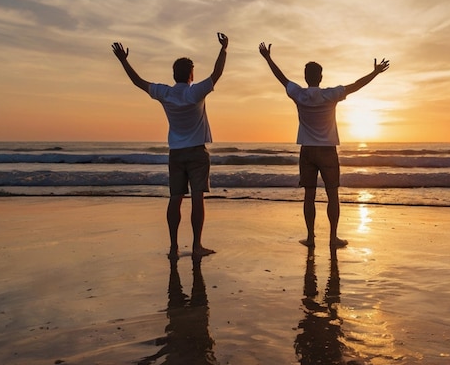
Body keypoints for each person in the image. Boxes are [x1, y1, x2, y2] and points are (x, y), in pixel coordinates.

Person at [259, 42, 389, 248]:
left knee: (309, 195)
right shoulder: (330, 94)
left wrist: (267, 58)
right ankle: (332, 238)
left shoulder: (299, 94)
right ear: (320, 77)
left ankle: (311, 238)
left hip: (308, 151)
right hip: (327, 151)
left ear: (305, 77)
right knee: (332, 194)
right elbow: (356, 85)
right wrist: (375, 73)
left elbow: (281, 78)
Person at [112, 33, 228, 258]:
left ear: (174, 75)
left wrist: (123, 60)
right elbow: (217, 74)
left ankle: (174, 247)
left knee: (175, 198)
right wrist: (223, 49)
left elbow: (138, 82)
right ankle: (196, 247)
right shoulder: (195, 92)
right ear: (191, 75)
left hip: (175, 154)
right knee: (197, 198)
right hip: (196, 152)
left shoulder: (165, 92)